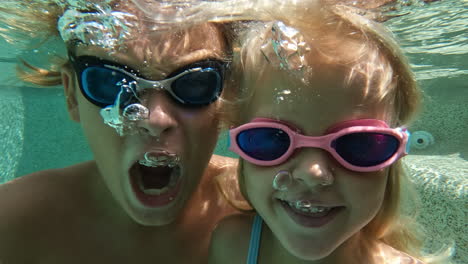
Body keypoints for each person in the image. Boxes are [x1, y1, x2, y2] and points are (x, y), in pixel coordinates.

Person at [0, 0, 245, 263]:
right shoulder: (11, 222)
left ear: (228, 96)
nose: (155, 119)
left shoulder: (272, 217)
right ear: (72, 95)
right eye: (113, 84)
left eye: (195, 83)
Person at [209, 1, 452, 264]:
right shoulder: (231, 243)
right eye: (271, 140)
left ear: (393, 157)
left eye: (359, 145)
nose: (313, 173)